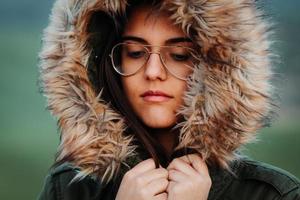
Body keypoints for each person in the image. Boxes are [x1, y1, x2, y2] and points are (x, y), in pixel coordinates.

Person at [38, 0, 300, 199]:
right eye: (136, 53)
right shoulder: (69, 189)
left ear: (217, 68)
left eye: (179, 55)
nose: (153, 72)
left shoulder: (273, 194)